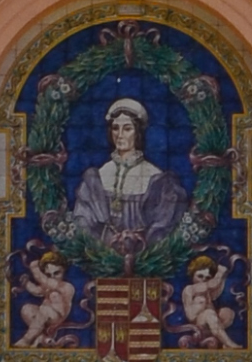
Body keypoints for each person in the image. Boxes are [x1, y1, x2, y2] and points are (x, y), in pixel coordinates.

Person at [68, 97, 185, 264]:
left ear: (138, 133)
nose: (120, 135)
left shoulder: (155, 177)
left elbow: (164, 226)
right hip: (103, 256)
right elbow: (83, 220)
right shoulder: (99, 175)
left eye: (127, 128)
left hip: (144, 256)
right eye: (115, 128)